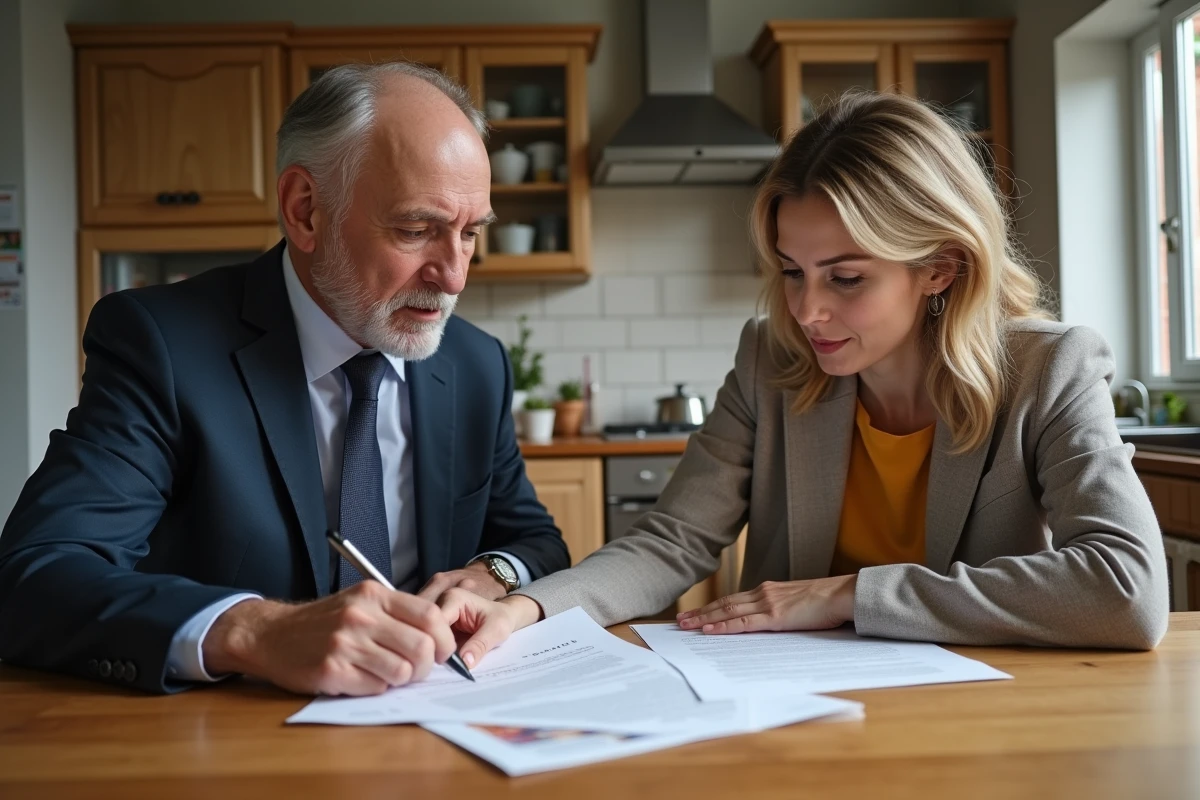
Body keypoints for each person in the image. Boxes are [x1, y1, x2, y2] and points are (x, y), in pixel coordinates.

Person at [439, 91, 1170, 663]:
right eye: (793, 272)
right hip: (795, 708)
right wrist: (526, 608)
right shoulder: (772, 359)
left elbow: (1126, 591)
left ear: (940, 267)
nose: (808, 309)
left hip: (981, 717)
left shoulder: (1050, 370)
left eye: (846, 278)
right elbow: (669, 542)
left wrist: (850, 596)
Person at [0, 62, 569, 695]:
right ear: (305, 211)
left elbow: (535, 540)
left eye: (469, 234)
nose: (455, 276)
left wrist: (494, 572)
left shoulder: (474, 363)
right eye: (416, 230)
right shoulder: (162, 345)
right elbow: (36, 575)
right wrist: (254, 631)